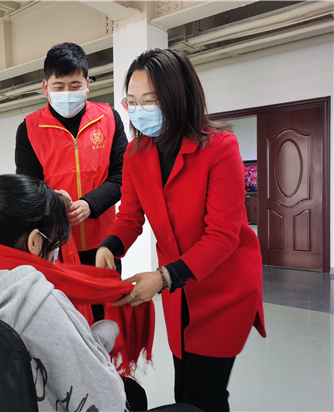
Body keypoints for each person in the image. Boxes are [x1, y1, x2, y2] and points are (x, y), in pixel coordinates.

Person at [0, 174, 198, 412]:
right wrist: (102, 336)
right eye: (56, 240)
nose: (57, 250)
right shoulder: (38, 300)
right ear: (35, 242)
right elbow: (107, 398)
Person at [96, 49, 267, 412]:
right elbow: (130, 216)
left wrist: (162, 277)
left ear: (178, 97)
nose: (139, 110)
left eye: (150, 100)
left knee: (205, 395)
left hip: (224, 289)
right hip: (179, 290)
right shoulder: (136, 153)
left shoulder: (219, 148)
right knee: (184, 388)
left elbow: (223, 236)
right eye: (132, 102)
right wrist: (109, 245)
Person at [15, 42, 128, 277]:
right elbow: (29, 187)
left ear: (87, 85)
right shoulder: (29, 128)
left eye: (75, 86)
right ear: (46, 87)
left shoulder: (109, 118)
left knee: (108, 297)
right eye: (59, 86)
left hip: (104, 240)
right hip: (56, 243)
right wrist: (54, 200)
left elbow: (123, 175)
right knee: (64, 299)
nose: (67, 92)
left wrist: (89, 204)